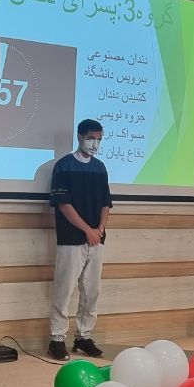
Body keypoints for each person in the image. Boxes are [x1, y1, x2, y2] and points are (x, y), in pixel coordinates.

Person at [48, 119, 113, 361]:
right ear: (79, 137)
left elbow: (106, 203)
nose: (94, 144)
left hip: (96, 239)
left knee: (92, 290)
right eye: (90, 138)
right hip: (71, 239)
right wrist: (87, 229)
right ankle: (57, 339)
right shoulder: (64, 166)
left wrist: (99, 229)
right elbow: (64, 205)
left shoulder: (100, 168)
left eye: (98, 140)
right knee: (64, 289)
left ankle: (83, 337)